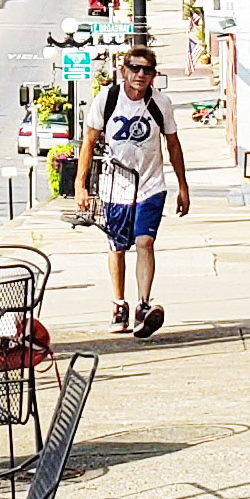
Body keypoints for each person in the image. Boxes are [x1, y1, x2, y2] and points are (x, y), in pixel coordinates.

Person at [76, 47, 190, 339]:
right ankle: (119, 304)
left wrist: (182, 186)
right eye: (135, 68)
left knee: (145, 241)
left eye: (147, 70)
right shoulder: (107, 99)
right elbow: (88, 143)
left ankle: (143, 304)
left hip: (151, 185)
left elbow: (173, 145)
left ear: (154, 75)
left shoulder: (160, 104)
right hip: (117, 185)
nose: (140, 75)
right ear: (123, 70)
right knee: (117, 246)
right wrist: (81, 185)